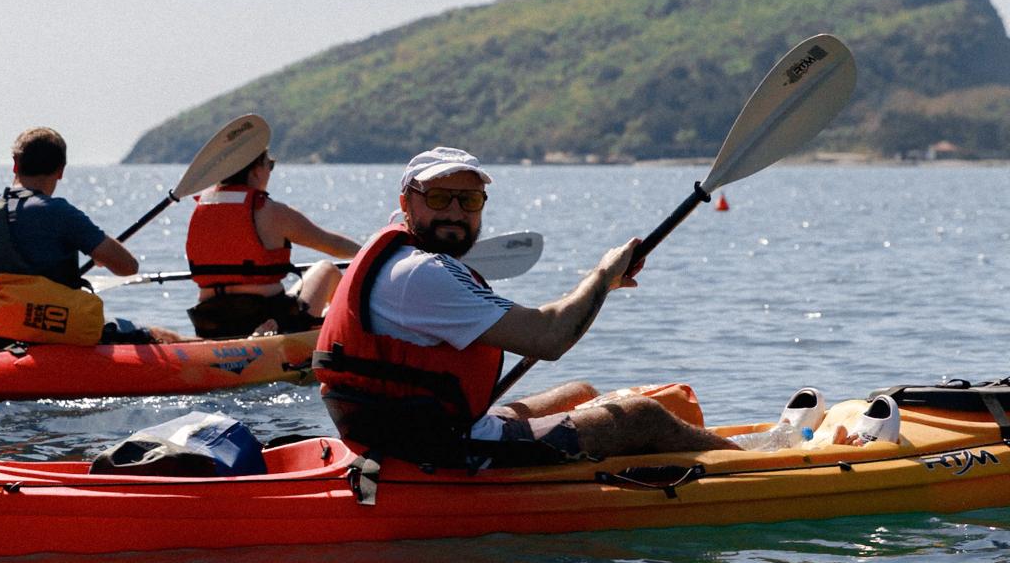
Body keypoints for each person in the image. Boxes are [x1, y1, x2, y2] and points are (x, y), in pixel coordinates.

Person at [312, 146, 740, 468]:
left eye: (470, 201)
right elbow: (549, 337)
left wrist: (602, 284)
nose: (456, 213)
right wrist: (601, 275)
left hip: (414, 433)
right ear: (407, 203)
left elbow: (536, 329)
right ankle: (763, 468)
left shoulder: (399, 253)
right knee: (640, 417)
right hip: (439, 453)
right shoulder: (420, 275)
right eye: (440, 199)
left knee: (581, 394)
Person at [0, 127, 186, 347]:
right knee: (161, 335)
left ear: (15, 165)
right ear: (61, 171)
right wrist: (100, 253)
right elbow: (128, 267)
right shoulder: (58, 212)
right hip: (62, 333)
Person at [185, 146, 361, 338]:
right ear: (256, 170)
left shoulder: (201, 209)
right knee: (327, 269)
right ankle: (347, 338)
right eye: (270, 164)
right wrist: (377, 251)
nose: (270, 170)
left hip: (210, 323)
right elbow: (333, 244)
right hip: (270, 320)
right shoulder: (272, 212)